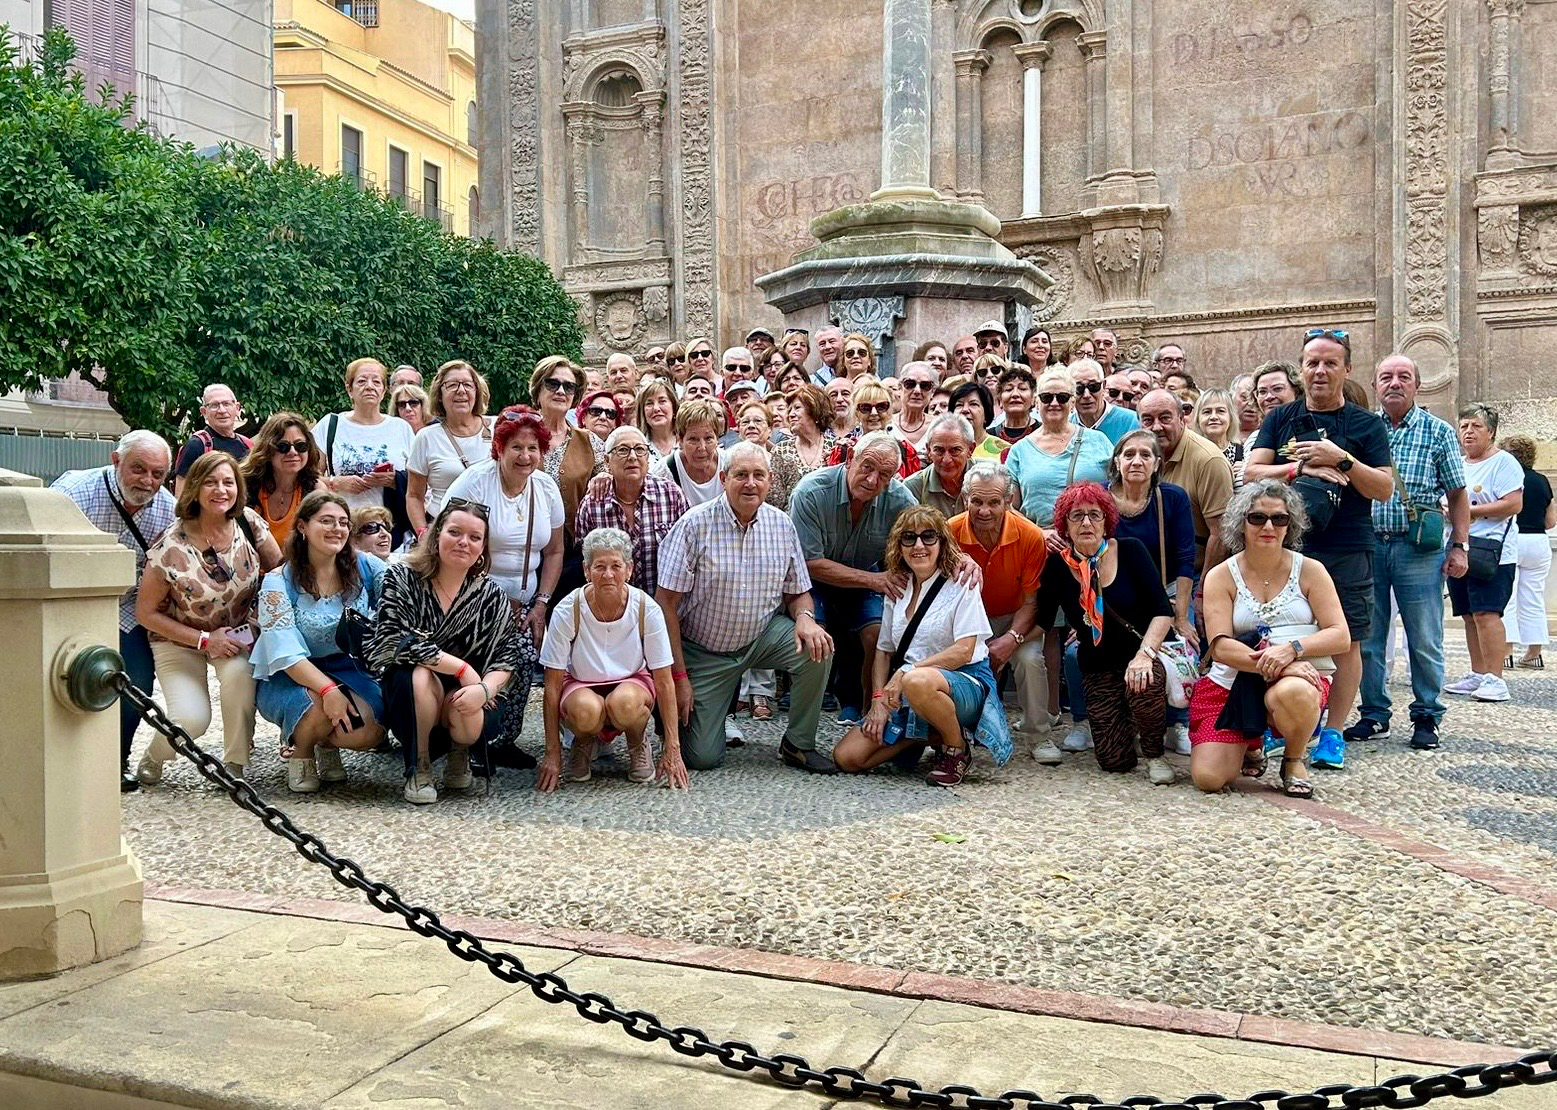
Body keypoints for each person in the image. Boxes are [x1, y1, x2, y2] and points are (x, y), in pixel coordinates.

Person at [1246, 329, 1393, 764]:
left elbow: (1383, 488)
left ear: (1346, 370)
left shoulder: (1366, 425)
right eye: (1312, 362)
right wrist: (1298, 467)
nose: (1320, 371)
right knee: (1282, 633)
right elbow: (1252, 472)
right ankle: (1286, 723)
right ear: (1302, 369)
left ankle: (1333, 733)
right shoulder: (1282, 417)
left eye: (1330, 363)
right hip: (1288, 545)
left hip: (1348, 545)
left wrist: (1341, 458)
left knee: (1347, 640)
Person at [656, 442, 836, 770]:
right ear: (723, 478)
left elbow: (798, 593)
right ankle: (680, 711)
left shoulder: (781, 525)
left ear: (770, 481)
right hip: (703, 651)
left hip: (760, 638)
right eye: (741, 475)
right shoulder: (694, 525)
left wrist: (807, 618)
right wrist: (678, 676)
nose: (750, 483)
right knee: (703, 758)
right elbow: (665, 604)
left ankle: (798, 743)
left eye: (758, 475)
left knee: (818, 646)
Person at [832, 505, 1013, 786]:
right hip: (909, 687)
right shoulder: (898, 586)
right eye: (909, 538)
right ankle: (930, 734)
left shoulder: (961, 581)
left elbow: (965, 650)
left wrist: (906, 673)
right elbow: (883, 651)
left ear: (942, 543)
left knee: (918, 680)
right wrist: (878, 702)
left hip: (963, 682)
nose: (919, 545)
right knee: (848, 757)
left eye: (929, 537)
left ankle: (956, 749)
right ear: (899, 545)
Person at [1191, 480, 1350, 797]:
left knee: (1296, 692)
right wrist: (1279, 665)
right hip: (1233, 681)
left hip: (1293, 680)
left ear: (1290, 525)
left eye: (1279, 519)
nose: (1268, 526)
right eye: (1257, 518)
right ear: (1241, 522)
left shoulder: (1310, 570)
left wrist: (1293, 651)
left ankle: (1293, 759)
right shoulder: (1221, 575)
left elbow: (1340, 635)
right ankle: (1251, 743)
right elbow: (1220, 646)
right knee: (1208, 778)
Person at [134, 451, 283, 785]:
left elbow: (279, 573)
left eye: (228, 482)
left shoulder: (249, 523)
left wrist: (261, 623)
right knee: (192, 719)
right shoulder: (169, 545)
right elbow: (145, 613)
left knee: (239, 676)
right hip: (181, 641)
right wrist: (203, 640)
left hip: (238, 636)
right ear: (195, 489)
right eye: (211, 482)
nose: (221, 490)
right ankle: (155, 755)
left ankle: (235, 766)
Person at [1349, 354, 1469, 751]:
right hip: (1369, 544)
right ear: (1376, 384)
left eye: (1404, 377)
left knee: (1424, 636)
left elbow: (1457, 493)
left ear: (1417, 385)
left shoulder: (1438, 431)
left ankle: (1427, 715)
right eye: (1386, 377)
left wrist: (1460, 546)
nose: (1395, 383)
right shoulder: (1364, 429)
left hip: (1417, 549)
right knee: (1368, 636)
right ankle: (1374, 713)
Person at [366, 500, 523, 804]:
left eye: (474, 537)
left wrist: (483, 689)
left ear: (483, 547)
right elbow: (391, 638)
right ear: (437, 534)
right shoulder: (402, 577)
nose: (464, 542)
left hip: (465, 699)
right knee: (420, 672)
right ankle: (418, 764)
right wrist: (462, 669)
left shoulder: (491, 595)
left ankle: (459, 752)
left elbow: (507, 655)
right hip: (411, 695)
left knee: (470, 713)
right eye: (454, 532)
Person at [51, 430, 177, 791]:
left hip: (126, 608)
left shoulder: (167, 509)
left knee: (134, 681)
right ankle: (62, 758)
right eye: (139, 469)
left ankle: (114, 760)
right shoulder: (73, 494)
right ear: (116, 460)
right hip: (70, 605)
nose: (148, 481)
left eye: (157, 474)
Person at [1034, 482, 1176, 784]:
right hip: (1097, 665)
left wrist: (1144, 655)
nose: (1086, 523)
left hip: (1139, 656)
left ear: (1106, 520)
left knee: (1142, 683)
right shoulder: (1057, 567)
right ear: (1064, 525)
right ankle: (1126, 727)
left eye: (1094, 515)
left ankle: (1154, 753)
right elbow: (1042, 620)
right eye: (1077, 516)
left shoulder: (1131, 551)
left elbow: (1163, 610)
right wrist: (1008, 642)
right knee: (1114, 761)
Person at [445, 406, 565, 756]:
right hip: (471, 595)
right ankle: (466, 736)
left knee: (525, 658)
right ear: (499, 448)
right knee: (484, 659)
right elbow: (450, 546)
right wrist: (492, 597)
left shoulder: (545, 488)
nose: (525, 456)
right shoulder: (475, 483)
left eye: (532, 448)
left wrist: (541, 602)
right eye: (516, 447)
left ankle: (502, 740)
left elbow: (555, 550)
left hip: (527, 601)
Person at [252, 492, 388, 793]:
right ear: (302, 526)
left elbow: (402, 594)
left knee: (369, 731)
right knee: (314, 709)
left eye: (342, 522)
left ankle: (325, 743)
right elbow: (284, 652)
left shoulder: (365, 566)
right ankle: (301, 752)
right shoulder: (278, 582)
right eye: (326, 521)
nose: (336, 529)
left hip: (349, 669)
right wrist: (328, 691)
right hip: (291, 673)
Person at [536, 527, 684, 791]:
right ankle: (582, 741)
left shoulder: (646, 608)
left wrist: (673, 749)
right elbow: (552, 685)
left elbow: (663, 681)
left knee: (625, 704)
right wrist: (552, 754)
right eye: (599, 566)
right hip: (582, 683)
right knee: (585, 711)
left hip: (632, 685)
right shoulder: (568, 609)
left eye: (616, 566)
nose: (608, 575)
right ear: (586, 570)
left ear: (629, 569)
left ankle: (637, 741)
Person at [790, 432, 916, 725]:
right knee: (815, 633)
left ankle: (865, 707)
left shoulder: (900, 499)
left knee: (876, 633)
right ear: (850, 459)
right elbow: (808, 563)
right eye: (867, 467)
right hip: (815, 581)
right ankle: (804, 720)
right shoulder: (811, 492)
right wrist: (873, 580)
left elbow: (925, 537)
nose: (873, 480)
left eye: (884, 474)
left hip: (868, 575)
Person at [948, 463, 1052, 750]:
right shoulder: (950, 531)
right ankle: (956, 735)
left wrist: (1011, 639)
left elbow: (1031, 602)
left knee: (1029, 659)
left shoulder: (1030, 535)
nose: (984, 511)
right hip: (966, 620)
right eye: (976, 501)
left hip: (1014, 617)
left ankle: (1038, 736)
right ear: (965, 498)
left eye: (994, 502)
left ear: (1009, 502)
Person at [1442, 404, 1523, 704]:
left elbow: (1513, 504)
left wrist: (1469, 511)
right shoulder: (1458, 463)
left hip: (1493, 552)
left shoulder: (1504, 463)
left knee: (1487, 613)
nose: (1468, 432)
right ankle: (1478, 673)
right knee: (1467, 614)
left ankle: (1496, 678)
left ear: (1491, 432)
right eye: (1463, 426)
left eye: (1475, 426)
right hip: (1459, 547)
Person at [576, 426, 689, 595]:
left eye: (640, 450)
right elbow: (584, 564)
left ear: (648, 457)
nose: (633, 457)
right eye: (622, 450)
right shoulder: (592, 505)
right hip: (613, 608)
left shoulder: (671, 495)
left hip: (664, 606)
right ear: (607, 461)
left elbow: (688, 553)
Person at [315, 358, 415, 540]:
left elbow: (420, 482)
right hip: (341, 529)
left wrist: (393, 480)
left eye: (376, 382)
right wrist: (336, 483)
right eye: (361, 381)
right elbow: (306, 477)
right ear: (349, 389)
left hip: (390, 532)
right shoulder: (330, 425)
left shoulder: (401, 428)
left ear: (384, 391)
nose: (369, 387)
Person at [1136, 388, 1234, 574]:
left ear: (1182, 419)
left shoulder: (1208, 460)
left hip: (1192, 573)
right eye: (1148, 420)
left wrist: (1203, 591)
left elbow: (1221, 534)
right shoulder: (1138, 457)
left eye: (1165, 418)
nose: (1156, 427)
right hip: (1150, 571)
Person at [1004, 366, 1113, 527]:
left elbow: (1118, 490)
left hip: (1089, 539)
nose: (1054, 403)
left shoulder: (1099, 441)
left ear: (1072, 403)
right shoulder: (1019, 451)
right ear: (1036, 402)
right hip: (1040, 543)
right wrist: (1038, 534)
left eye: (1062, 397)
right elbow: (1009, 507)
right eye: (1047, 397)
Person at [406, 360, 495, 532]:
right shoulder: (426, 437)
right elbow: (414, 496)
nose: (461, 391)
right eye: (452, 385)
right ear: (439, 394)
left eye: (468, 385)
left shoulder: (498, 428)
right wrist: (423, 533)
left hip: (494, 529)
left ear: (477, 391)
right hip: (444, 531)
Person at [1503, 434, 1555, 669]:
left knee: (1507, 597)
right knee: (1533, 596)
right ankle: (1534, 652)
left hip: (1512, 538)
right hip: (1538, 542)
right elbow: (1551, 521)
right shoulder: (1542, 480)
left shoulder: (1507, 477)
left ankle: (1506, 652)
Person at [240, 412, 325, 548]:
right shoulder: (245, 486)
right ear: (267, 449)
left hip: (294, 567)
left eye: (300, 446)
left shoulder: (315, 490)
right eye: (282, 446)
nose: (292, 452)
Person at [826, 378, 921, 476]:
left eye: (881, 406)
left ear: (890, 411)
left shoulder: (906, 451)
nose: (874, 413)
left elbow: (914, 488)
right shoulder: (843, 452)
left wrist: (901, 484)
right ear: (856, 412)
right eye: (865, 408)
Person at [174, 384, 250, 495]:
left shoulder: (248, 445)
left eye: (226, 404)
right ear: (204, 412)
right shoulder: (197, 445)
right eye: (214, 405)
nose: (222, 410)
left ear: (237, 408)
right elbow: (181, 494)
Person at [650, 398, 725, 507]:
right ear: (680, 440)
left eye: (708, 438)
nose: (702, 447)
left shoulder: (730, 465)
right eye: (693, 439)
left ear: (717, 438)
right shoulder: (663, 473)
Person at [769, 384, 833, 509]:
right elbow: (775, 499)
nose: (791, 414)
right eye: (790, 409)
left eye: (797, 408)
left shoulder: (834, 447)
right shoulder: (781, 450)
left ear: (815, 411)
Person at [904, 413, 974, 518]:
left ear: (970, 449)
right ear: (928, 450)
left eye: (955, 450)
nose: (946, 460)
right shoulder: (914, 487)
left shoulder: (990, 478)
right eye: (939, 450)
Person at [1070, 358, 1141, 445]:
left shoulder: (1132, 421)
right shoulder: (1066, 424)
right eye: (1078, 388)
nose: (1087, 395)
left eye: (1093, 387)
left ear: (1103, 386)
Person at [947, 379, 1007, 460]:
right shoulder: (941, 448)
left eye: (973, 404)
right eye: (959, 405)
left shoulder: (1005, 450)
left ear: (986, 413)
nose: (965, 410)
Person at [1194, 388, 1244, 477]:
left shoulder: (1243, 453)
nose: (1213, 417)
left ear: (1231, 417)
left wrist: (1244, 472)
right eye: (1207, 412)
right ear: (1198, 419)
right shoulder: (1191, 453)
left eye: (1220, 411)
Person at [890, 360, 936, 453]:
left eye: (925, 385)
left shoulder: (939, 427)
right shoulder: (886, 425)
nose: (917, 391)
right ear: (899, 388)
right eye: (910, 384)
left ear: (932, 392)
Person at [634, 377, 679, 462]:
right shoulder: (637, 446)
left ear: (674, 406)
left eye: (662, 401)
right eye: (649, 403)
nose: (656, 408)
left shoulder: (686, 441)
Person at [993, 363, 1037, 444]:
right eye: (1009, 389)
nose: (1015, 394)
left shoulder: (1044, 434)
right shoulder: (990, 436)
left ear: (1033, 399)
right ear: (1000, 401)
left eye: (1022, 389)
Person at [1230, 373, 1262, 443]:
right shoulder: (1222, 432)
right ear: (1232, 398)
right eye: (1245, 397)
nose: (1250, 403)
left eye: (1255, 399)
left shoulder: (1270, 432)